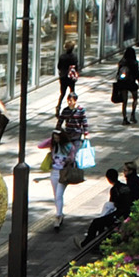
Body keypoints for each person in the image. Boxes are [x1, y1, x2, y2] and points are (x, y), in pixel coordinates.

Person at [49, 90, 88, 230]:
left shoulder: (80, 110)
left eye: (72, 100)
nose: (70, 102)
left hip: (76, 137)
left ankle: (58, 216)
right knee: (56, 195)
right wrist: (57, 132)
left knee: (74, 153)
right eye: (68, 99)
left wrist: (86, 134)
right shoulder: (65, 111)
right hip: (68, 137)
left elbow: (84, 122)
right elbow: (60, 121)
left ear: (75, 100)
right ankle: (59, 213)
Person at [83, 168, 135, 245]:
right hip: (128, 212)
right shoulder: (125, 186)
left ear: (108, 179)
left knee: (97, 222)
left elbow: (111, 205)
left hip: (120, 214)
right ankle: (99, 242)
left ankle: (87, 243)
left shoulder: (114, 189)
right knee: (102, 221)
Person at [112, 44, 139, 124]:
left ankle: (124, 118)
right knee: (135, 98)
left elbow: (118, 73)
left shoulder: (122, 62)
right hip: (131, 83)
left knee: (124, 101)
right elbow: (137, 74)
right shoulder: (134, 62)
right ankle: (133, 114)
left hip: (123, 83)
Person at [55, 41, 79, 113]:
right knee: (72, 92)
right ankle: (72, 106)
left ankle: (58, 106)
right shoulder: (74, 56)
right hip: (71, 77)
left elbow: (59, 66)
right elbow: (76, 67)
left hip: (63, 77)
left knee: (62, 93)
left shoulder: (62, 56)